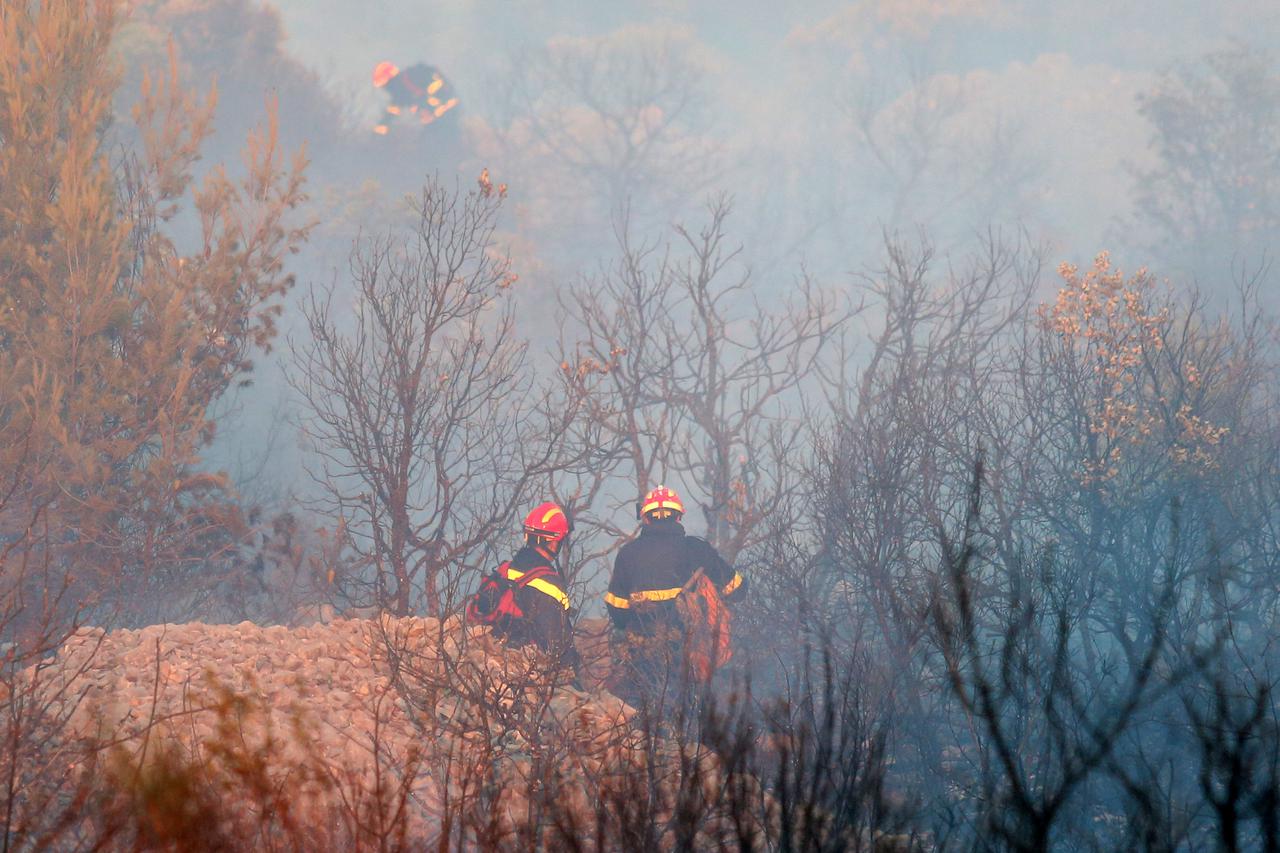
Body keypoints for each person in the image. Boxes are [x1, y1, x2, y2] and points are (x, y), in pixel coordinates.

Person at [604, 486, 746, 705]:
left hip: (641, 658)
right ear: (679, 517)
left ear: (646, 519)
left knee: (644, 717)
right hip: (690, 658)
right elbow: (737, 591)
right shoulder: (696, 550)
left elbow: (618, 615)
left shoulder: (627, 554)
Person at [466, 502, 576, 659]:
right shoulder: (550, 585)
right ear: (553, 543)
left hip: (485, 655)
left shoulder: (504, 570)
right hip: (522, 666)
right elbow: (556, 645)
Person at [371, 61, 460, 135]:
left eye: (386, 85)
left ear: (391, 80)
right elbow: (393, 110)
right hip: (437, 119)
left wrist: (429, 107)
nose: (387, 90)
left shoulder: (413, 77)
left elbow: (437, 90)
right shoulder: (401, 92)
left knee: (442, 143)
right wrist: (382, 126)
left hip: (448, 113)